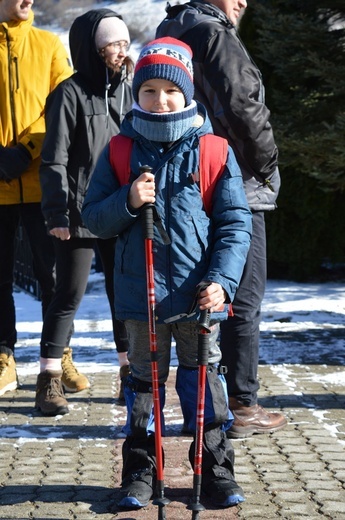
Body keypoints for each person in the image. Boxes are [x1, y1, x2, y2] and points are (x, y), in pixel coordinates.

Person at [82, 37, 252, 510]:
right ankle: (141, 471)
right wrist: (129, 201)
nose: (161, 100)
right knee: (143, 388)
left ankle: (215, 470)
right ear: (137, 94)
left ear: (187, 92)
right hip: (142, 301)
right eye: (150, 90)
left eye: (171, 90)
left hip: (199, 299)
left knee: (204, 386)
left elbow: (235, 223)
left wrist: (222, 282)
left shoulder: (214, 149)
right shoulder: (119, 150)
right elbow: (94, 216)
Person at [156, 0, 288, 438]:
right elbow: (242, 103)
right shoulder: (213, 32)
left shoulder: (173, 26)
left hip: (188, 182)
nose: (244, 1)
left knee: (205, 295)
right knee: (243, 298)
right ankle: (242, 406)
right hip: (235, 182)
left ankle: (208, 403)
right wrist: (266, 164)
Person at [36, 8, 133, 416]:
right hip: (77, 214)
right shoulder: (68, 94)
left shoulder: (132, 91)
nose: (121, 51)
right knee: (69, 294)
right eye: (113, 44)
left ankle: (131, 375)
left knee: (122, 296)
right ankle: (48, 379)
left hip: (120, 210)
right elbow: (54, 158)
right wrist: (57, 214)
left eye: (125, 43)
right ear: (93, 49)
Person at [0, 0, 72, 396]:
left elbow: (62, 106)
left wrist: (26, 149)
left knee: (54, 277)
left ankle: (58, 356)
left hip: (42, 183)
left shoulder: (49, 45)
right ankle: (3, 359)